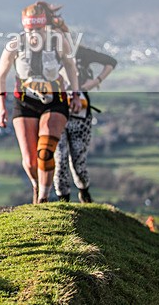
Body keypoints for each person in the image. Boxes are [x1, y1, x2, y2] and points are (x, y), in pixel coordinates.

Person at [0, 1, 82, 204]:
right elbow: (0, 75)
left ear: (45, 26)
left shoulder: (58, 41)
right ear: (24, 27)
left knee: (45, 151)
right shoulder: (14, 45)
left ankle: (43, 198)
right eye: (29, 29)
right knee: (30, 161)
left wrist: (75, 94)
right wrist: (1, 106)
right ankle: (36, 184)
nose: (33, 34)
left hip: (55, 100)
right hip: (25, 102)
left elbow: (70, 66)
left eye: (38, 29)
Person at [51, 12, 117, 203]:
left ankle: (84, 191)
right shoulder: (48, 56)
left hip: (81, 114)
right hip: (58, 111)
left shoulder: (80, 52)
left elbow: (111, 62)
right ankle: (63, 200)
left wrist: (94, 81)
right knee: (60, 157)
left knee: (78, 161)